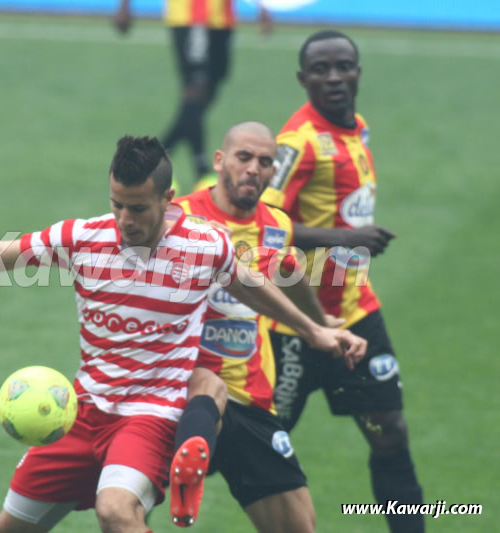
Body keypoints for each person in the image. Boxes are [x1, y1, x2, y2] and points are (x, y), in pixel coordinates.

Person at [0, 135, 366, 533]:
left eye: (137, 208)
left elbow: (250, 284)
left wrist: (315, 330)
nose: (124, 220)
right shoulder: (84, 237)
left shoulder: (204, 245)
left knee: (115, 511)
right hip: (83, 409)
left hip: (153, 415)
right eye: (116, 204)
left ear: (167, 200)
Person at [261, 30, 424, 532]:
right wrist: (344, 238)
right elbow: (266, 221)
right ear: (302, 78)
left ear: (358, 72)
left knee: (389, 434)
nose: (334, 78)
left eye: (343, 67)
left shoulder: (358, 128)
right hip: (297, 327)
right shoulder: (298, 142)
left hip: (356, 318)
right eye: (321, 70)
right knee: (256, 443)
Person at [169, 121, 342, 530]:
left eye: (265, 162)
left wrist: (321, 324)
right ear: (219, 161)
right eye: (244, 157)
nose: (254, 169)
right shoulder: (180, 218)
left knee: (299, 526)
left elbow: (289, 272)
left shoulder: (276, 226)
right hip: (182, 396)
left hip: (250, 398)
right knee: (120, 505)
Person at [113, 0, 271, 186]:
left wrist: (262, 7)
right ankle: (202, 172)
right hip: (191, 16)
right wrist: (125, 5)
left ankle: (152, 159)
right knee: (197, 88)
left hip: (223, 18)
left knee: (205, 95)